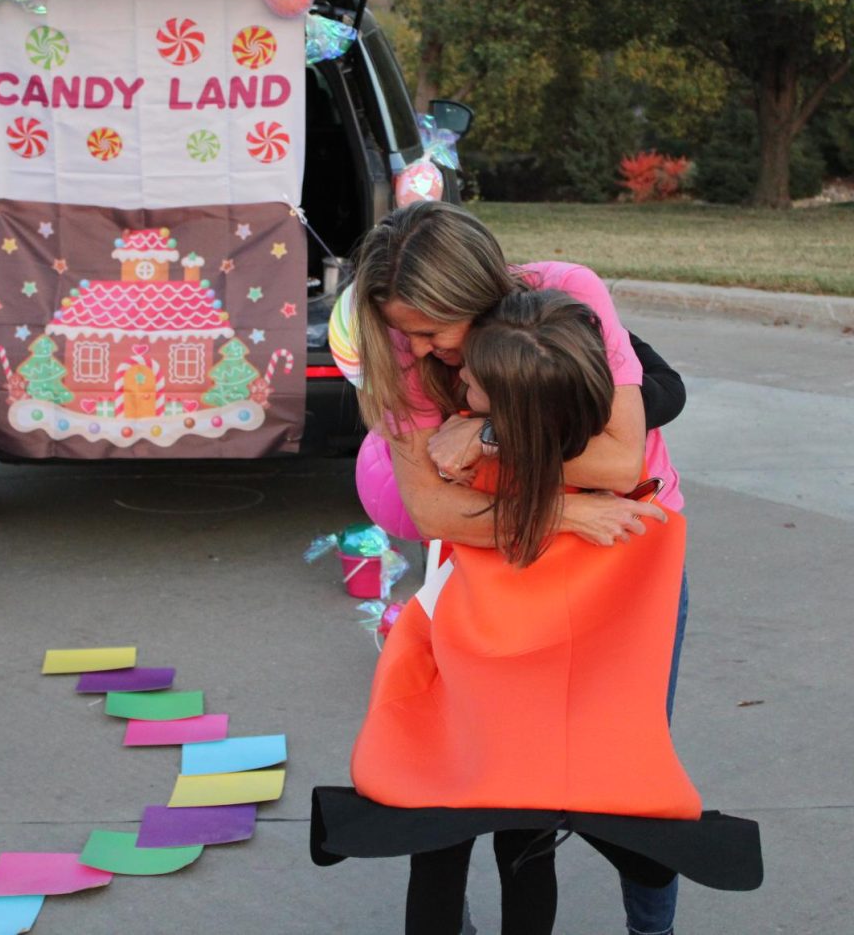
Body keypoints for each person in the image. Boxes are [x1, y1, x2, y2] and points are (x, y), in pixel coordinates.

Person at [310, 280, 763, 933]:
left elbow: (662, 389)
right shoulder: (510, 365)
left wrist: (494, 433)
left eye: (456, 359)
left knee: (557, 810)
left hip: (555, 646)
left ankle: (650, 919)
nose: (447, 365)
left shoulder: (552, 342)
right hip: (514, 667)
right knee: (522, 829)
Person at [348, 201, 688, 935]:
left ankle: (651, 924)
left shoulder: (568, 295)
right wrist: (564, 510)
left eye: (433, 330)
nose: (418, 348)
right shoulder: (406, 349)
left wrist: (493, 428)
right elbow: (432, 510)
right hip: (503, 569)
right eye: (403, 329)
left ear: (474, 300)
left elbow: (620, 458)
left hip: (623, 564)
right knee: (482, 778)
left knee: (625, 773)